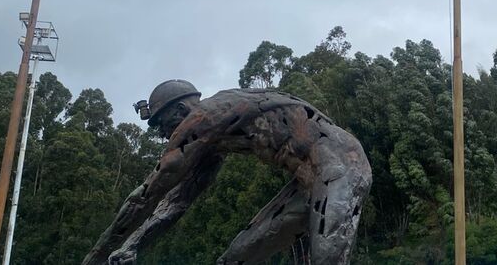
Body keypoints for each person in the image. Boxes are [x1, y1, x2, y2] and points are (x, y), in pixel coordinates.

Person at [82, 79, 372, 265]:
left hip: (341, 167)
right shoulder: (214, 140)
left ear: (182, 108)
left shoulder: (205, 116)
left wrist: (94, 257)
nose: (164, 133)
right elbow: (176, 203)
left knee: (326, 259)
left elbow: (145, 196)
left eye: (163, 123)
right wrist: (133, 245)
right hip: (308, 182)